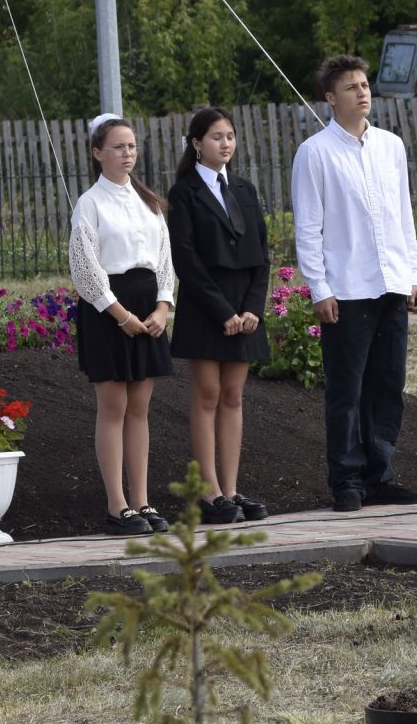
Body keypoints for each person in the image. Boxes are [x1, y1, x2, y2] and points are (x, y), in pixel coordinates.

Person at [291, 56, 417, 512]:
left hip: (392, 282)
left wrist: (414, 274)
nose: (362, 93)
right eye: (351, 87)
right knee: (347, 390)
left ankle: (379, 474)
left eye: (365, 85)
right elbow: (309, 228)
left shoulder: (391, 147)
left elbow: (403, 216)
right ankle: (346, 480)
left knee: (388, 384)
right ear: (330, 98)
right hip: (347, 289)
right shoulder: (315, 153)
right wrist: (319, 288)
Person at [70, 114, 176, 536]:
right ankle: (117, 505)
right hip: (109, 313)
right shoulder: (90, 203)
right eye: (117, 146)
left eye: (131, 146)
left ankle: (141, 501)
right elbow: (85, 268)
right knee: (113, 409)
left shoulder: (149, 202)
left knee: (140, 410)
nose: (126, 153)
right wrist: (121, 315)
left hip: (148, 309)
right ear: (98, 154)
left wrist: (162, 308)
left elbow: (164, 260)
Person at [166, 106, 271, 525]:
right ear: (196, 144)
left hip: (243, 308)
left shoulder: (244, 189)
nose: (225, 143)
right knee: (207, 395)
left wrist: (251, 310)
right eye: (215, 137)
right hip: (206, 307)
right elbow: (186, 259)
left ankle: (230, 489)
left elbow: (261, 256)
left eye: (229, 136)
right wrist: (224, 311)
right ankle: (209, 493)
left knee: (234, 397)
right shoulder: (185, 192)